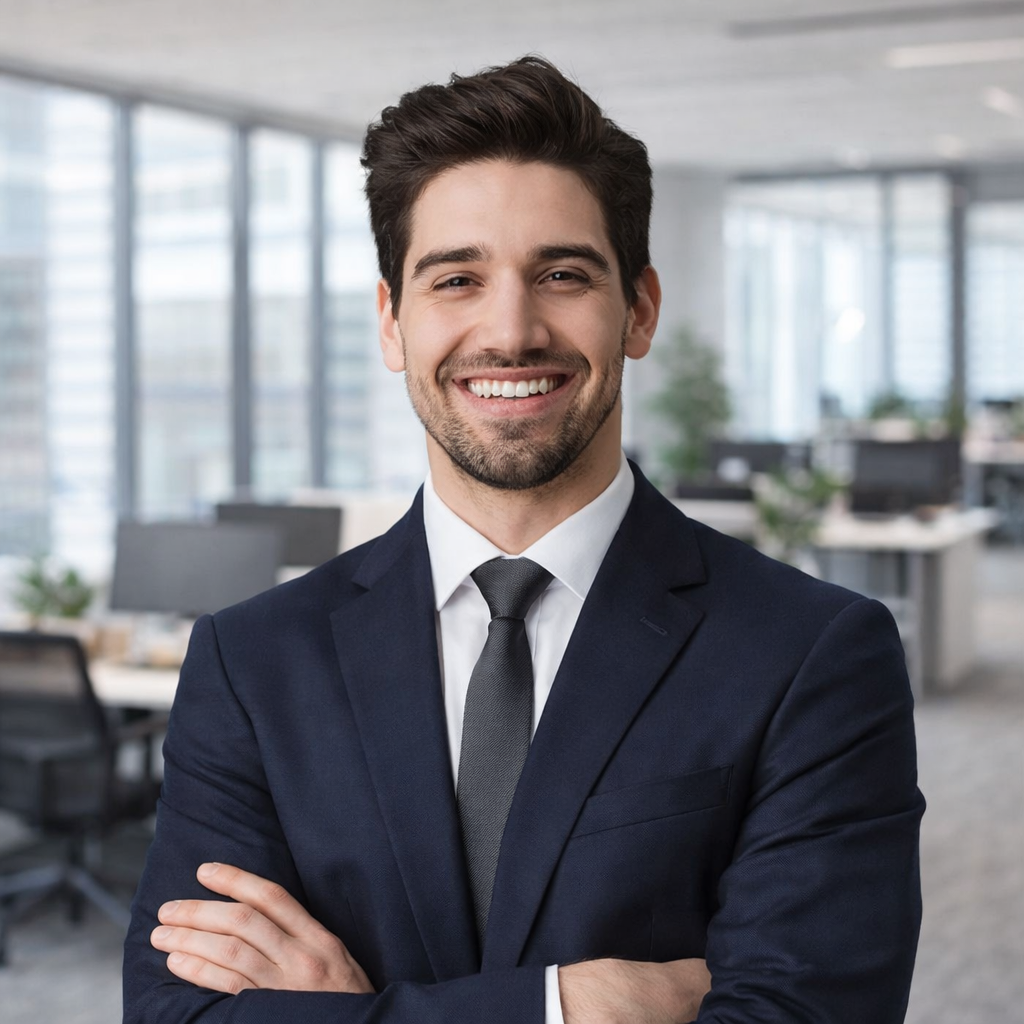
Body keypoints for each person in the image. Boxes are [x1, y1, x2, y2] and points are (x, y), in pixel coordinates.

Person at [122, 56, 924, 1024]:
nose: (509, 330)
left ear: (638, 308)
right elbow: (177, 1014)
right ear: (391, 321)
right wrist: (567, 1003)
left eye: (561, 274)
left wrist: (353, 1012)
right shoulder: (253, 657)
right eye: (455, 278)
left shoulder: (812, 652)